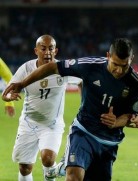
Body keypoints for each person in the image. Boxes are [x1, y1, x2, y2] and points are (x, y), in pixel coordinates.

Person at [3, 38, 138, 181]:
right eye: (115, 64)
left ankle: (60, 167)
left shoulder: (135, 83)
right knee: (73, 176)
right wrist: (22, 84)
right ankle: (65, 166)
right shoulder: (90, 66)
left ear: (131, 59)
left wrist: (117, 121)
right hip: (83, 131)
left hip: (108, 142)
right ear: (108, 56)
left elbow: (132, 114)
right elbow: (53, 67)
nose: (119, 70)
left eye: (125, 65)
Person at [1, 34, 81, 181]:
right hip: (28, 123)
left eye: (51, 48)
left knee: (48, 159)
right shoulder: (26, 68)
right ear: (36, 51)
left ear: (56, 51)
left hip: (51, 124)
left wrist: (84, 102)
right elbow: (7, 91)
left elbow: (82, 80)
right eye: (43, 48)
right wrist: (8, 97)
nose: (47, 52)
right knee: (25, 168)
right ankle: (51, 173)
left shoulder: (63, 68)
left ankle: (50, 173)